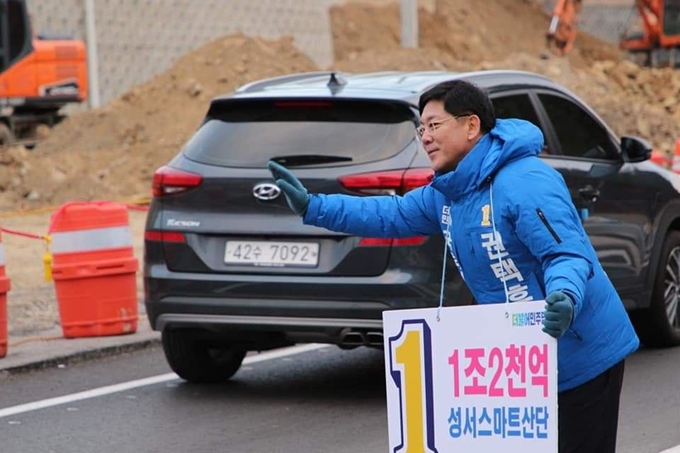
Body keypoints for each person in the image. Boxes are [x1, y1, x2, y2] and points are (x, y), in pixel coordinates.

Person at [267, 79, 639, 453]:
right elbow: (390, 213)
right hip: (520, 360)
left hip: (581, 352)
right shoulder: (448, 191)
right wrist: (314, 207)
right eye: (421, 128)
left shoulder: (526, 182)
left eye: (434, 125)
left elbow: (566, 254)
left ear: (471, 126)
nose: (424, 137)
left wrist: (565, 296)